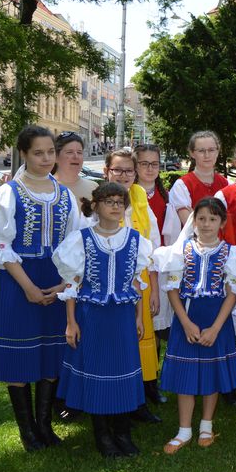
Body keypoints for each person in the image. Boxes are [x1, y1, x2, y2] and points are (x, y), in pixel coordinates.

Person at [0, 125, 82, 451]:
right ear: (23, 153)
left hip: (56, 279)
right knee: (19, 356)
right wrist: (27, 286)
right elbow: (0, 245)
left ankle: (44, 425)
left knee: (52, 353)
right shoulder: (9, 193)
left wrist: (65, 282)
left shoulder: (64, 194)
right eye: (38, 153)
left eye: (50, 152)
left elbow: (75, 242)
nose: (46, 158)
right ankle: (27, 431)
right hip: (17, 280)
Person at [53, 182, 154, 457]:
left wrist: (138, 317)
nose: (115, 206)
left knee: (122, 369)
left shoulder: (135, 241)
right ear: (95, 206)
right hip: (92, 316)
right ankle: (102, 434)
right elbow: (72, 284)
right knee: (97, 370)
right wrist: (71, 322)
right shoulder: (81, 240)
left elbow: (136, 285)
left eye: (119, 202)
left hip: (121, 316)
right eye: (108, 201)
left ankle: (122, 431)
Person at [153, 197, 236, 453]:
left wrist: (216, 327)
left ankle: (206, 424)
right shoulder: (180, 252)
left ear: (222, 223)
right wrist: (185, 323)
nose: (206, 224)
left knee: (212, 372)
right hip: (188, 318)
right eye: (201, 219)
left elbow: (232, 293)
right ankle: (184, 429)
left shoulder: (232, 253)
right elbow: (172, 289)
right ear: (193, 221)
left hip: (216, 319)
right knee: (186, 375)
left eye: (212, 219)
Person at [103, 149, 164, 421]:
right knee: (117, 342)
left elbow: (153, 244)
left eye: (129, 170)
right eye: (118, 170)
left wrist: (153, 287)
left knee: (141, 341)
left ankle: (139, 401)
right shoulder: (100, 199)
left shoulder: (139, 195)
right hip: (110, 285)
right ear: (108, 172)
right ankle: (117, 401)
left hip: (140, 283)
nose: (124, 175)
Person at [134, 143, 175, 376]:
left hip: (160, 267)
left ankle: (153, 377)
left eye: (154, 164)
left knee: (157, 324)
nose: (150, 169)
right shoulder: (128, 193)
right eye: (144, 164)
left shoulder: (165, 197)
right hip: (138, 268)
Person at [168, 131, 229, 228]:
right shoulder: (182, 186)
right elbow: (190, 225)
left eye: (211, 150)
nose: (207, 155)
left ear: (218, 152)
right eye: (201, 151)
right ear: (192, 153)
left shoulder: (227, 184)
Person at [53, 131, 96, 204]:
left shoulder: (93, 187)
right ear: (56, 157)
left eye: (79, 152)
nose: (76, 156)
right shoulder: (44, 187)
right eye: (69, 152)